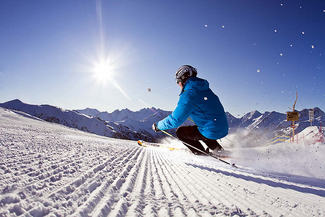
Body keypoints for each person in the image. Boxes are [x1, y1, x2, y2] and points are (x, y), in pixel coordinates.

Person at [152, 65, 228, 155]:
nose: (178, 84)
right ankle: (218, 150)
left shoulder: (189, 94)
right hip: (222, 128)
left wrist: (158, 126)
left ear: (183, 79)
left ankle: (201, 153)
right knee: (202, 129)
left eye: (178, 81)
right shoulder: (206, 90)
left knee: (180, 132)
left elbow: (175, 120)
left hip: (211, 130)